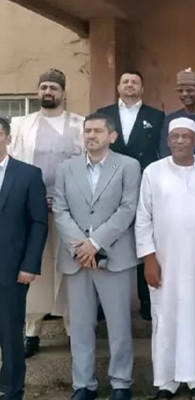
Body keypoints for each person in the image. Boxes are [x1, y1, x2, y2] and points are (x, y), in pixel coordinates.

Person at [53, 114, 141, 400]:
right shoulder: (66, 168)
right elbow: (60, 210)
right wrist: (81, 248)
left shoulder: (128, 166)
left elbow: (127, 209)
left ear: (112, 136)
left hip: (115, 257)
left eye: (98, 131)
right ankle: (83, 384)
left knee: (119, 325)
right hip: (76, 259)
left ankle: (121, 383)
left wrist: (95, 242)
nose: (91, 135)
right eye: (87, 130)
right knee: (80, 326)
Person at [136, 117, 195, 400]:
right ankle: (166, 381)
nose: (180, 141)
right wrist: (149, 259)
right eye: (175, 137)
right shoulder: (153, 171)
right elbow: (143, 218)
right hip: (165, 262)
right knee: (166, 318)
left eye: (186, 136)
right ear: (168, 141)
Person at [9, 68, 84, 358]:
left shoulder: (80, 124)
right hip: (31, 209)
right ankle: (32, 331)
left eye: (53, 87)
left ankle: (72, 329)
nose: (48, 92)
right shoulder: (21, 125)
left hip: (69, 209)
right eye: (43, 87)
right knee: (33, 266)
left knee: (68, 268)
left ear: (63, 92)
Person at [96, 70, 165, 321]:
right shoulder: (103, 114)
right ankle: (104, 304)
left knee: (142, 238)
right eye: (125, 81)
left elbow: (161, 152)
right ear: (118, 87)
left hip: (143, 184)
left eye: (135, 82)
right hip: (109, 184)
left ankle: (146, 300)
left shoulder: (156, 116)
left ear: (142, 88)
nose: (129, 85)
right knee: (109, 237)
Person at [0, 117, 48, 400]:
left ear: (7, 138)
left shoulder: (28, 175)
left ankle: (11, 390)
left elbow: (38, 223)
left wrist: (30, 264)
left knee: (10, 334)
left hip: (11, 268)